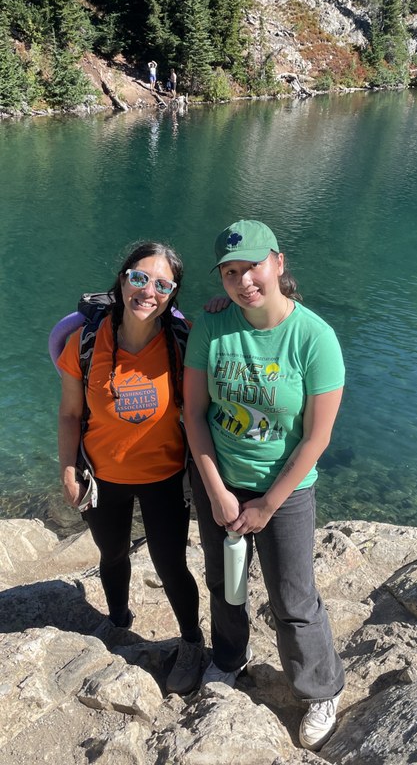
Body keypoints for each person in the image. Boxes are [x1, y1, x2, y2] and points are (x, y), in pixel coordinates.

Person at [183, 220, 345, 751]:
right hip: (221, 481)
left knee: (293, 597)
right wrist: (217, 491)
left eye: (250, 266)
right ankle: (230, 658)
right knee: (224, 584)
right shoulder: (213, 327)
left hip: (287, 490)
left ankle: (320, 689)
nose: (241, 280)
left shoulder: (314, 337)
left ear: (277, 262)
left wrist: (269, 504)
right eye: (230, 272)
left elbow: (317, 438)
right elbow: (195, 414)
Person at [57, 241, 203, 695]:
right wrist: (67, 468)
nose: (148, 291)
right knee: (112, 553)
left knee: (170, 563)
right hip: (103, 477)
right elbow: (68, 413)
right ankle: (119, 622)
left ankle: (193, 643)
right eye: (139, 277)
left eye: (162, 284)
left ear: (172, 293)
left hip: (163, 477)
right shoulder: (83, 343)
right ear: (122, 279)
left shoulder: (184, 343)